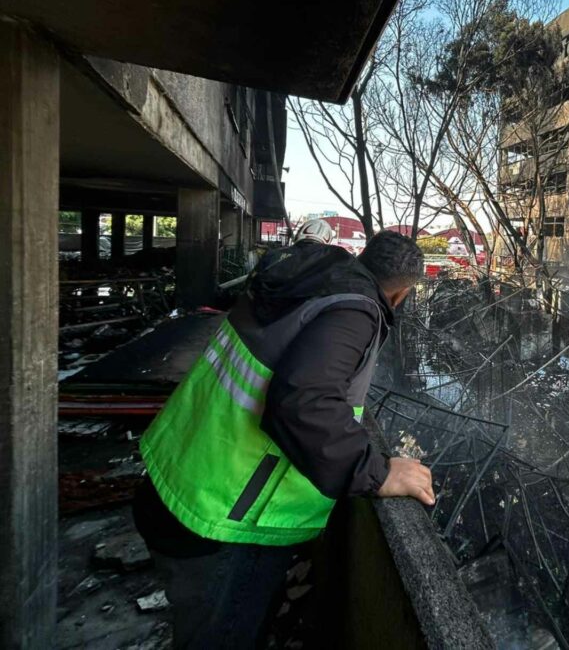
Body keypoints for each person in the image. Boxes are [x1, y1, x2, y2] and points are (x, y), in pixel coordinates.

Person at [133, 222, 433, 648]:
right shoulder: (354, 310)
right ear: (401, 294)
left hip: (177, 477)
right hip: (227, 520)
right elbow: (304, 402)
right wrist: (376, 472)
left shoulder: (307, 280)